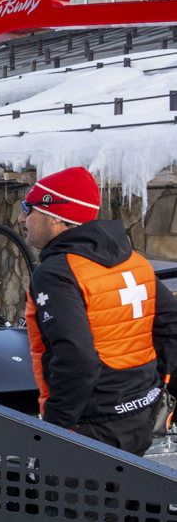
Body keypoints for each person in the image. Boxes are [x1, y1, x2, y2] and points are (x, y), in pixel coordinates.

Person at [20, 166, 177, 454]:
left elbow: (76, 355)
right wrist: (158, 386)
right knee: (130, 496)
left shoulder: (57, 272)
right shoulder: (134, 260)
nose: (22, 218)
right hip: (141, 416)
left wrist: (54, 427)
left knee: (66, 500)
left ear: (55, 217)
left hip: (90, 426)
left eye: (28, 208)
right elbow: (172, 325)